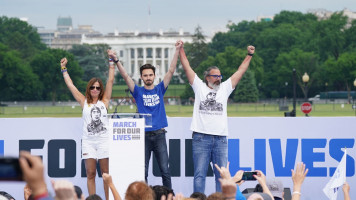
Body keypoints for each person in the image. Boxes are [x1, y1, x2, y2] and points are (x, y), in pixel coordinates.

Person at [180, 42, 255, 193]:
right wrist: (181, 49)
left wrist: (249, 55)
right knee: (199, 175)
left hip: (220, 139)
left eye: (220, 76)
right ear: (207, 77)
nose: (218, 78)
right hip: (201, 137)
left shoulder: (225, 88)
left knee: (221, 176)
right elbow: (187, 66)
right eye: (215, 76)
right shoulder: (198, 86)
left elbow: (240, 71)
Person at [107, 41, 183, 189]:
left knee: (165, 171)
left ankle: (169, 197)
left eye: (150, 75)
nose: (148, 77)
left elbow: (171, 70)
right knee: (143, 172)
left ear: (154, 76)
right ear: (141, 77)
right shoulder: (138, 91)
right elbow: (125, 75)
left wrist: (177, 50)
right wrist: (116, 60)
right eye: (145, 75)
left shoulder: (160, 89)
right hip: (143, 135)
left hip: (160, 134)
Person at [60, 56, 115, 200]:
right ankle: (92, 198)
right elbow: (71, 86)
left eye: (98, 87)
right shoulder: (83, 101)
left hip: (104, 141)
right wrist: (64, 69)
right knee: (90, 173)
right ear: (89, 88)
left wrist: (111, 64)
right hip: (89, 142)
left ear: (100, 89)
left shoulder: (105, 101)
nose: (95, 89)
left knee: (105, 173)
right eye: (92, 87)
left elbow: (110, 81)